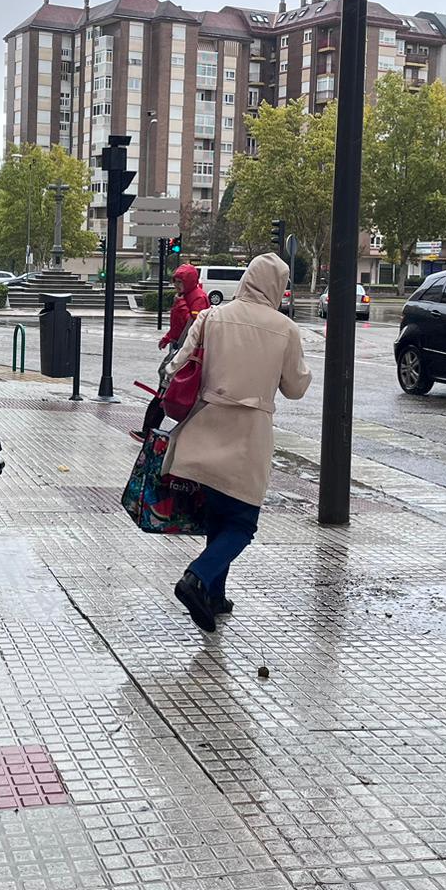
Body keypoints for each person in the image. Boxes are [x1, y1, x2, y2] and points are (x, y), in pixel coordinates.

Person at [162, 252, 311, 632]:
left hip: (207, 423)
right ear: (278, 287)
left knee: (217, 515)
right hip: (249, 433)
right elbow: (295, 388)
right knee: (242, 523)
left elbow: (179, 363)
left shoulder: (212, 316)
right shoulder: (285, 328)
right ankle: (197, 576)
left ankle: (214, 594)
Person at [159, 263, 211, 354]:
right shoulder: (183, 295)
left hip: (189, 345)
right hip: (180, 342)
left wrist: (181, 304)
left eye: (179, 282)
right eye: (175, 281)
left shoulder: (198, 298)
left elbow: (193, 324)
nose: (176, 285)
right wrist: (167, 338)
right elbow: (177, 323)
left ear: (188, 282)